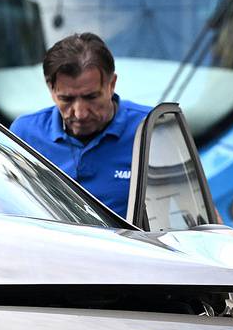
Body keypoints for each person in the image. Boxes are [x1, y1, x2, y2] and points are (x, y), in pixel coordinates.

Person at [9, 33, 151, 215]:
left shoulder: (151, 129)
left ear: (112, 84)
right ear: (50, 89)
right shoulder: (25, 134)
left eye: (91, 97)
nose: (80, 113)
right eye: (66, 99)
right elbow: (6, 212)